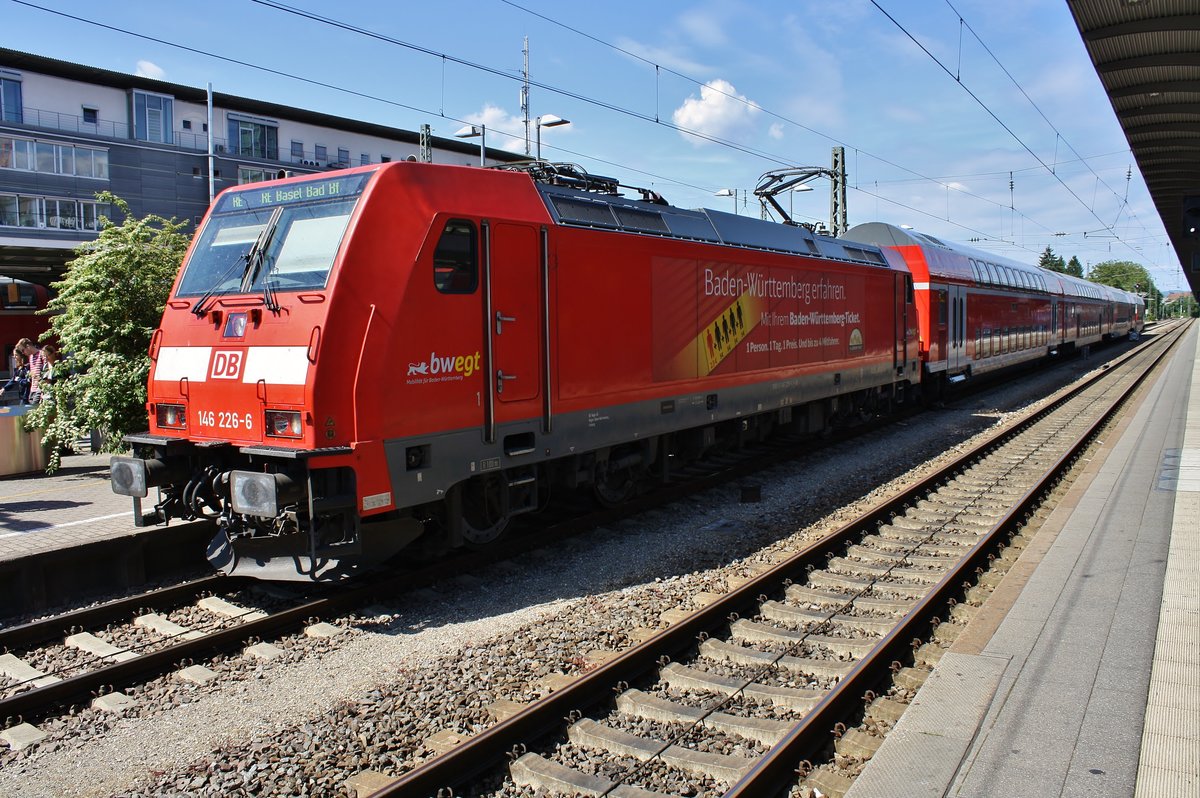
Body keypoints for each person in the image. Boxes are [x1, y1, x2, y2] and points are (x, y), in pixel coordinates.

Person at [16, 337, 46, 403]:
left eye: (23, 350)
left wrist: (43, 391)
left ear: (28, 346)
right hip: (33, 390)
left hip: (40, 389)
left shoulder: (41, 354)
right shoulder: (31, 357)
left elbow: (46, 372)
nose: (23, 353)